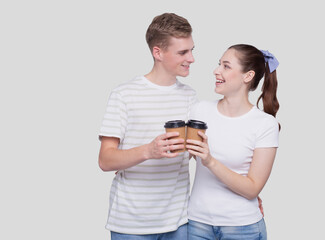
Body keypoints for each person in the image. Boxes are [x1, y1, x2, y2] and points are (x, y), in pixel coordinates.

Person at [98, 13, 197, 239]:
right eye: (183, 52)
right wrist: (148, 151)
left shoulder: (190, 96)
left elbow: (192, 155)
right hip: (131, 226)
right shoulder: (123, 94)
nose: (191, 58)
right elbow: (105, 160)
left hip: (179, 222)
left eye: (192, 50)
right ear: (158, 52)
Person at [186, 44, 280, 240]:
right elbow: (180, 159)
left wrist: (210, 161)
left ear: (248, 76)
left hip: (242, 228)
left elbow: (252, 188)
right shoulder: (199, 111)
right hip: (196, 224)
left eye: (226, 66)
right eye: (219, 64)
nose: (216, 71)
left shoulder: (265, 124)